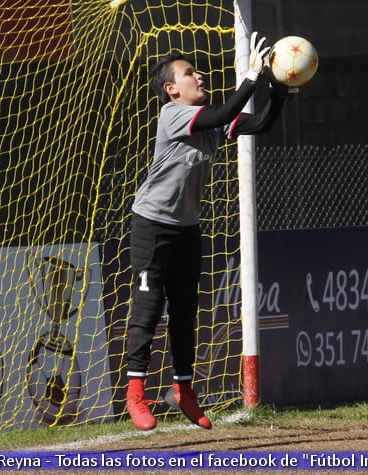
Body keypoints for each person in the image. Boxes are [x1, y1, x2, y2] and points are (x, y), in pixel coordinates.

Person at [124, 32, 291, 431]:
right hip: (151, 224)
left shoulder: (209, 119)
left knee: (185, 310)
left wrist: (280, 86)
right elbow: (218, 116)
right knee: (148, 307)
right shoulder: (173, 114)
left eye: (196, 72)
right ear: (171, 89)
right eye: (189, 73)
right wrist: (250, 76)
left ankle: (184, 389)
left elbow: (261, 123)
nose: (198, 77)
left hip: (186, 228)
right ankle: (136, 394)